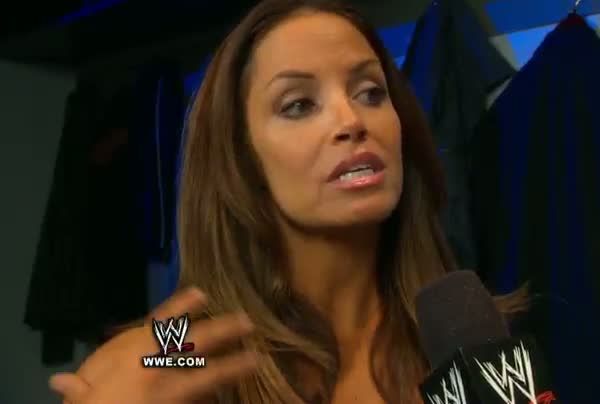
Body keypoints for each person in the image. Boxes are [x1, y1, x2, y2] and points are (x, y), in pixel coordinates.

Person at [49, 0, 527, 403]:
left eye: (370, 92)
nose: (351, 120)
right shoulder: (177, 350)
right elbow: (142, 365)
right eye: (299, 104)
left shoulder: (468, 336)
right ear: (242, 160)